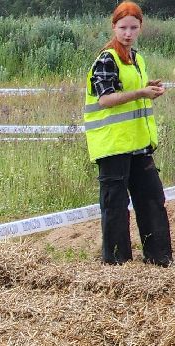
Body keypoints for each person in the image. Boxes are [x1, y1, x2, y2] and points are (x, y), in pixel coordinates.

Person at [85, 2, 171, 265]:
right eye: (123, 28)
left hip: (138, 144)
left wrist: (148, 89)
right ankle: (116, 264)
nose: (128, 33)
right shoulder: (106, 59)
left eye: (133, 28)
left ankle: (159, 259)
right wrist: (140, 93)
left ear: (140, 28)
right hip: (112, 145)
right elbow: (105, 100)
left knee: (152, 200)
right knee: (115, 207)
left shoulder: (137, 58)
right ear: (114, 27)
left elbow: (132, 95)